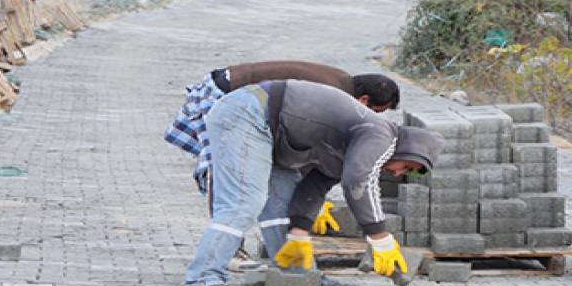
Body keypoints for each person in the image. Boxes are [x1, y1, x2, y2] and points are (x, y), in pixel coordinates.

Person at [180, 80, 442, 286]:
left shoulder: (353, 146)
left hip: (271, 131)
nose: (398, 173)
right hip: (248, 113)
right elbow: (358, 182)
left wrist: (300, 230)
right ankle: (202, 281)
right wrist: (380, 238)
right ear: (408, 151)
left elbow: (314, 186)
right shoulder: (380, 135)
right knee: (243, 202)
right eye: (407, 167)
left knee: (282, 206)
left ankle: (299, 275)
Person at [164, 61, 401, 194]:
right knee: (227, 170)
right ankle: (226, 246)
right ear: (364, 100)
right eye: (376, 111)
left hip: (237, 94)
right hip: (225, 96)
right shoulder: (334, 95)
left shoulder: (341, 79)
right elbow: (310, 138)